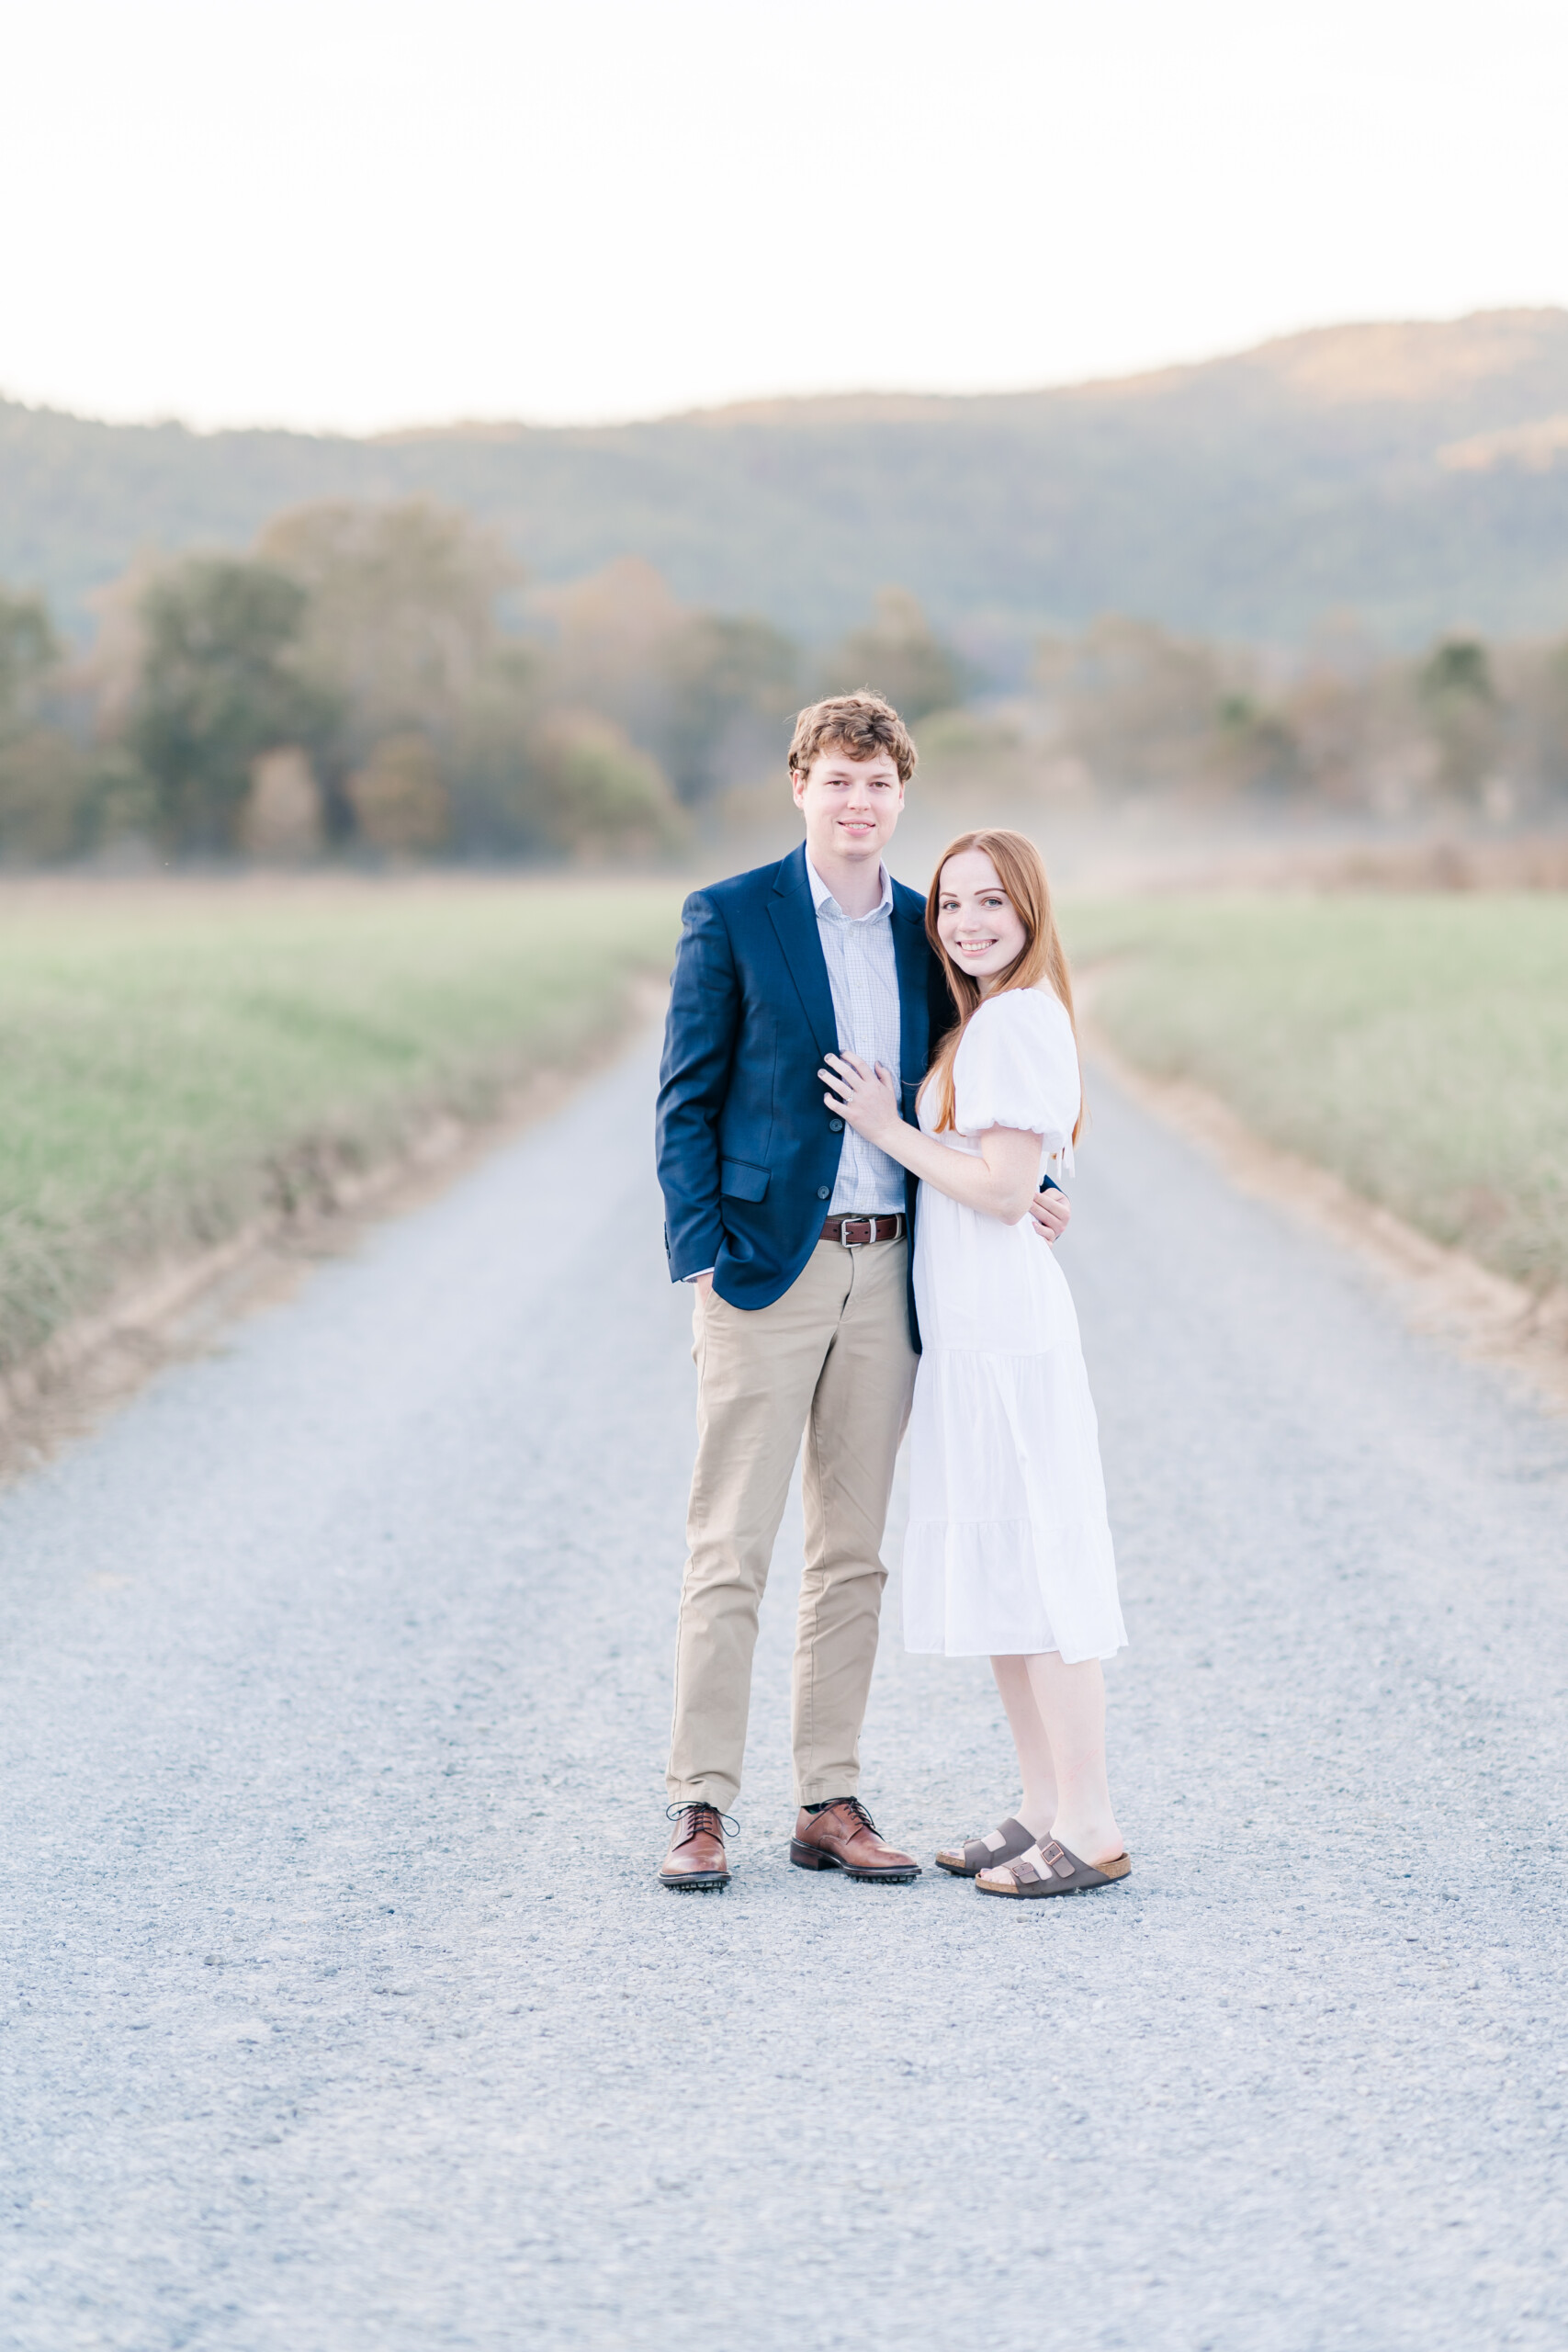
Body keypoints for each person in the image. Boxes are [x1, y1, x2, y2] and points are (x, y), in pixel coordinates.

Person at [655, 698, 1071, 1891]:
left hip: (890, 1266)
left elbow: (988, 1074)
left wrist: (1045, 1180)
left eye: (878, 785)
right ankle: (698, 1805)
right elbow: (684, 1096)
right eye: (837, 780)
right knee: (727, 1544)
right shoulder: (731, 915)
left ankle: (825, 1797)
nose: (857, 803)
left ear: (899, 797)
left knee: (851, 1554)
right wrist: (702, 1251)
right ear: (799, 785)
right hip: (763, 1273)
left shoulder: (923, 929)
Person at [819, 828, 1129, 1900]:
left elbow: (999, 1188)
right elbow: (1017, 1178)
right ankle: (1041, 1808)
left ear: (1031, 911)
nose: (967, 922)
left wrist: (882, 1124)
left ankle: (1090, 1824)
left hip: (1007, 1337)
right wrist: (1014, 1179)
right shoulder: (987, 1022)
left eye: (992, 902)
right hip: (974, 1330)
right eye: (951, 904)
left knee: (1040, 1572)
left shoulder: (1015, 1021)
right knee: (1006, 1569)